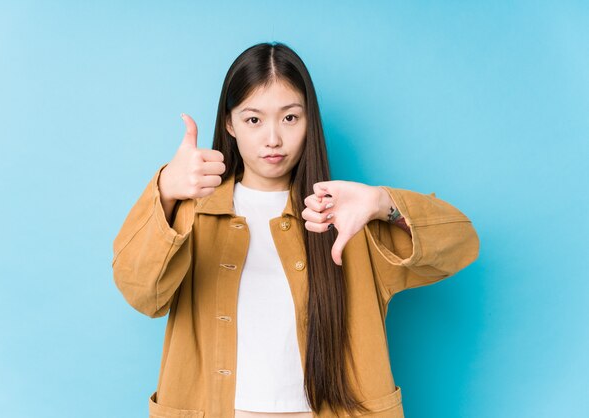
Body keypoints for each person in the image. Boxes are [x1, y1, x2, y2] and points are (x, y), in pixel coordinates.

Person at [112, 42, 480, 418]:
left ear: (309, 121)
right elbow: (142, 294)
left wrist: (383, 203)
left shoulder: (344, 213)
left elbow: (461, 244)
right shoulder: (195, 211)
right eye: (254, 119)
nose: (273, 138)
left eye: (290, 118)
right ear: (229, 123)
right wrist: (165, 190)